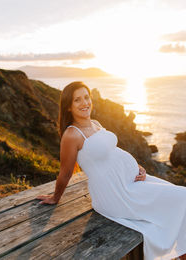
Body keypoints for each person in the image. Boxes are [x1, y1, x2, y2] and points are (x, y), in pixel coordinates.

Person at [37, 81, 186, 260]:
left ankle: (180, 254)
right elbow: (65, 172)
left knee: (179, 201)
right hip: (117, 193)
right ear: (68, 106)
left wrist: (136, 166)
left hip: (133, 181)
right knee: (182, 199)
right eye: (77, 100)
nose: (84, 103)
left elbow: (112, 151)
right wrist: (55, 197)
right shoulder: (72, 135)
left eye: (86, 97)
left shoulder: (95, 123)